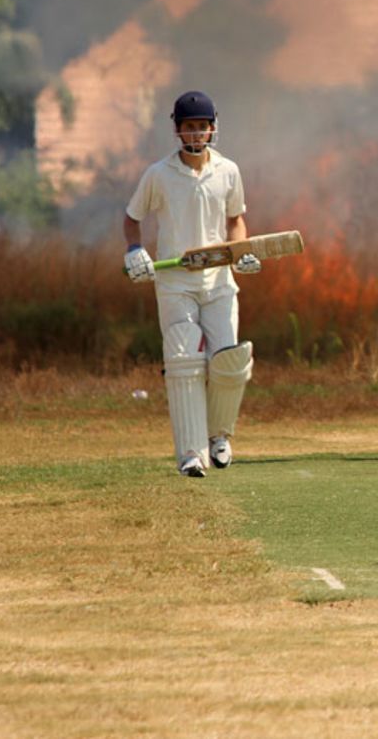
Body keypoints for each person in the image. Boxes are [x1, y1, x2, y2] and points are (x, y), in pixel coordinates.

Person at [123, 90, 257, 477]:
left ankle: (219, 437)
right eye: (189, 127)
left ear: (213, 128)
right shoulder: (158, 174)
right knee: (185, 363)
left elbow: (235, 220)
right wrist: (134, 249)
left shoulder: (228, 171)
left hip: (218, 281)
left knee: (227, 363)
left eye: (202, 127)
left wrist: (240, 249)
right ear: (178, 131)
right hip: (174, 282)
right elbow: (132, 218)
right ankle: (190, 454)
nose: (197, 134)